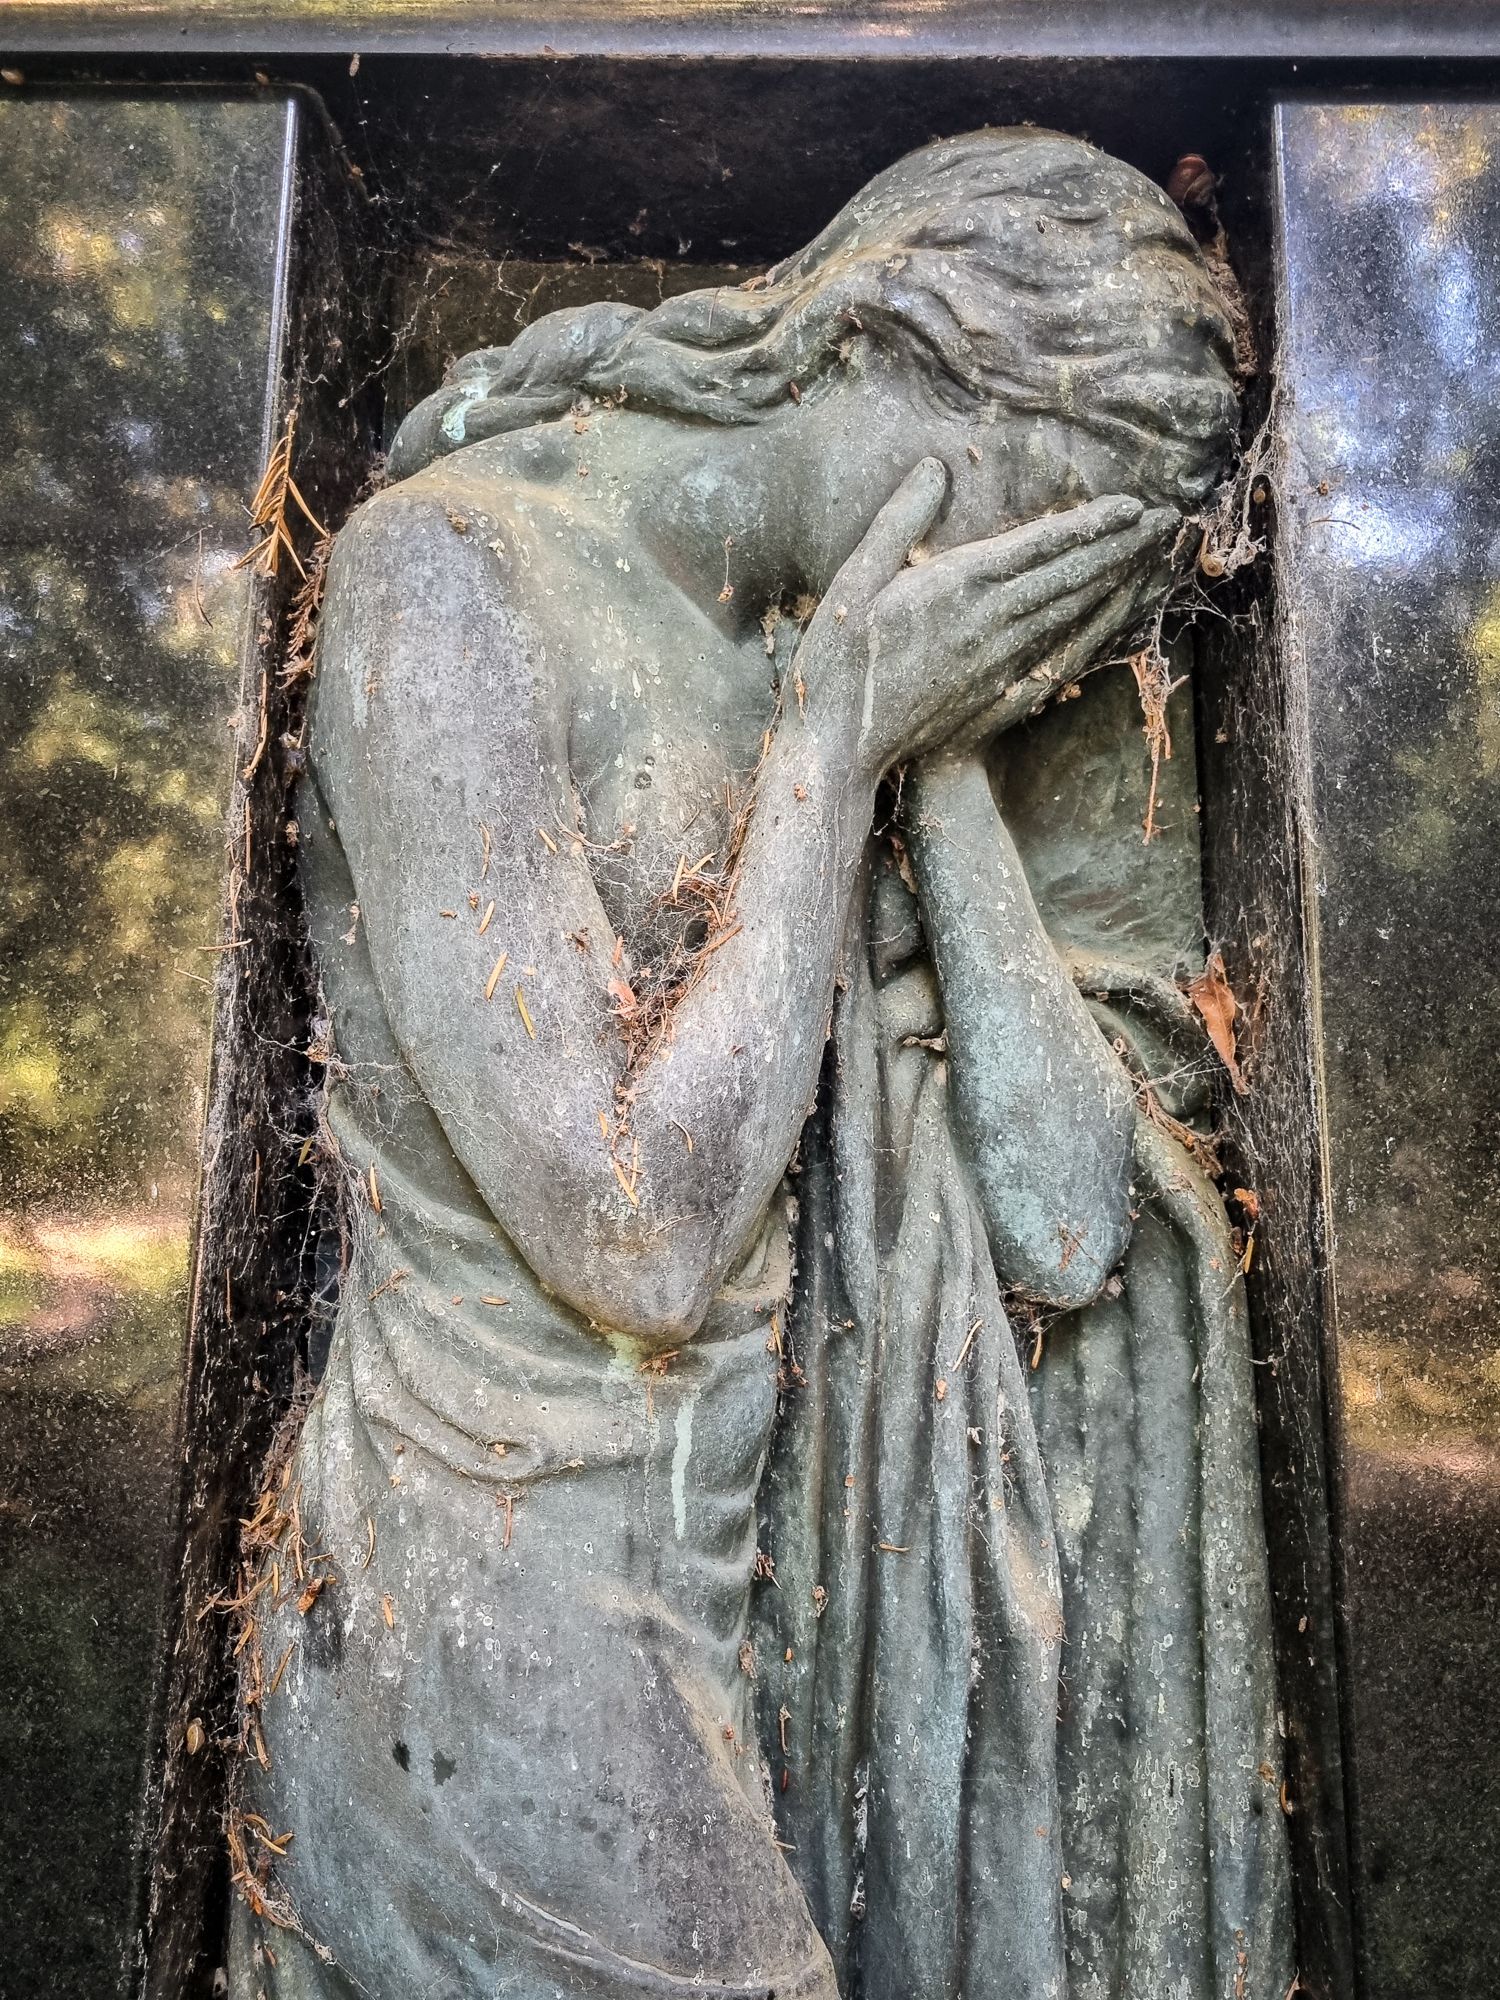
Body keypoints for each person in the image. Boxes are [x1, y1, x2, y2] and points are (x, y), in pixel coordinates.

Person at [231, 128, 1285, 1998]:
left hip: (699, 1627)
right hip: (483, 1624)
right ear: (906, 340)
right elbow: (632, 1239)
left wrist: (920, 748)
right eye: (1043, 516)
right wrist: (837, 744)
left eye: (1084, 591)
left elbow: (1057, 1227)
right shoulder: (450, 580)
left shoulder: (811, 671)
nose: (1039, 607)